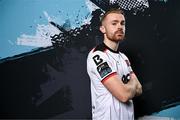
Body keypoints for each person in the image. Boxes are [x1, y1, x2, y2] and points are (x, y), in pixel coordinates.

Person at [86, 8, 142, 120]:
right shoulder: (98, 55)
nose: (120, 27)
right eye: (114, 23)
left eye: (122, 23)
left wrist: (128, 88)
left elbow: (139, 89)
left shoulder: (123, 57)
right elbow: (124, 95)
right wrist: (131, 86)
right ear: (103, 29)